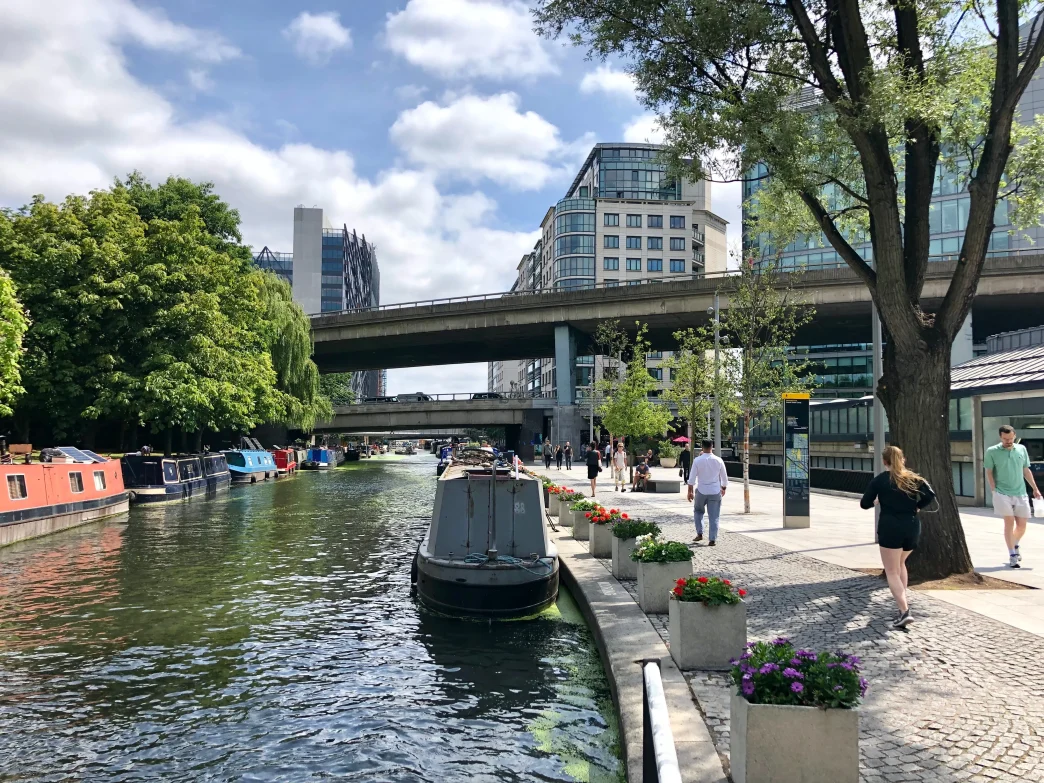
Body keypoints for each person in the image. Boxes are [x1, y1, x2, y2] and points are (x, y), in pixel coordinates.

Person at [860, 445, 937, 629]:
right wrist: (917, 506)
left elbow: (864, 503)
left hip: (890, 526)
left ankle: (904, 611)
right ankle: (903, 604)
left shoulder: (880, 480)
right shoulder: (913, 478)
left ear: (884, 461)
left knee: (891, 571)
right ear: (903, 459)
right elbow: (930, 495)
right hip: (911, 525)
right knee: (901, 564)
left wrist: (877, 501)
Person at [984, 425, 1043, 568]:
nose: (1008, 441)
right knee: (1009, 522)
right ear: (1000, 437)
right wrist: (994, 490)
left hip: (1021, 492)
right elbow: (989, 472)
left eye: (1010, 438)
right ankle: (1012, 554)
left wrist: (1035, 489)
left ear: (1014, 436)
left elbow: (1026, 470)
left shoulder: (1021, 449)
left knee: (1022, 526)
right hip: (1002, 492)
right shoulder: (992, 451)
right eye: (1005, 439)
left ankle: (1015, 544)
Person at [686, 439, 728, 546]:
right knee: (714, 516)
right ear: (712, 446)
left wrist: (689, 492)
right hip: (715, 491)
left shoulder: (697, 460)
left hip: (701, 490)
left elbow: (691, 479)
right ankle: (712, 539)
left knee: (698, 511)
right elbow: (724, 478)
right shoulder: (719, 460)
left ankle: (700, 533)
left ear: (702, 447)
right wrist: (723, 488)